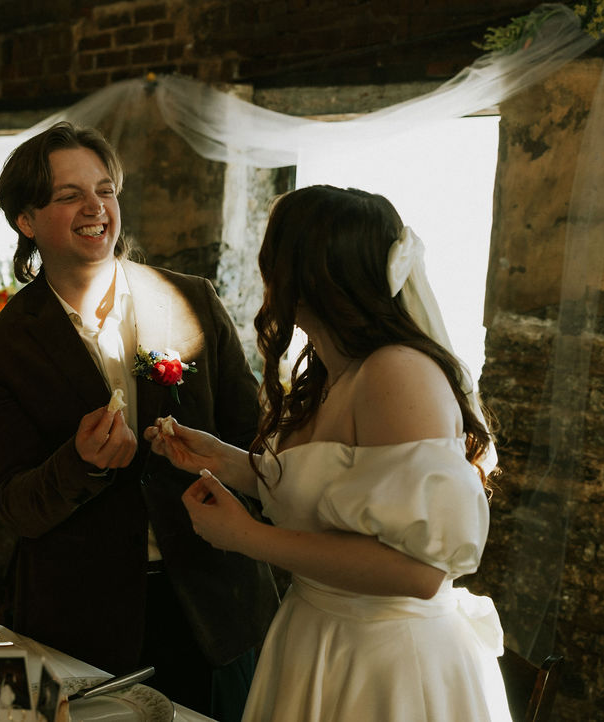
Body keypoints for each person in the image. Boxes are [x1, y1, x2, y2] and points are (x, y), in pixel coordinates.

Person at [146, 185, 512, 721]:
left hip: (385, 663)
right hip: (317, 637)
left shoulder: (398, 374)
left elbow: (419, 571)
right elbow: (336, 492)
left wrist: (246, 537)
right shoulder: (331, 368)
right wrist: (223, 460)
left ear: (305, 273)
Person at [0, 121, 279, 720]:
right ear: (26, 222)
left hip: (212, 607)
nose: (95, 208)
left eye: (105, 190)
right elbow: (14, 505)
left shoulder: (192, 300)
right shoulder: (0, 345)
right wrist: (77, 464)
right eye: (69, 195)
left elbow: (256, 446)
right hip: (70, 616)